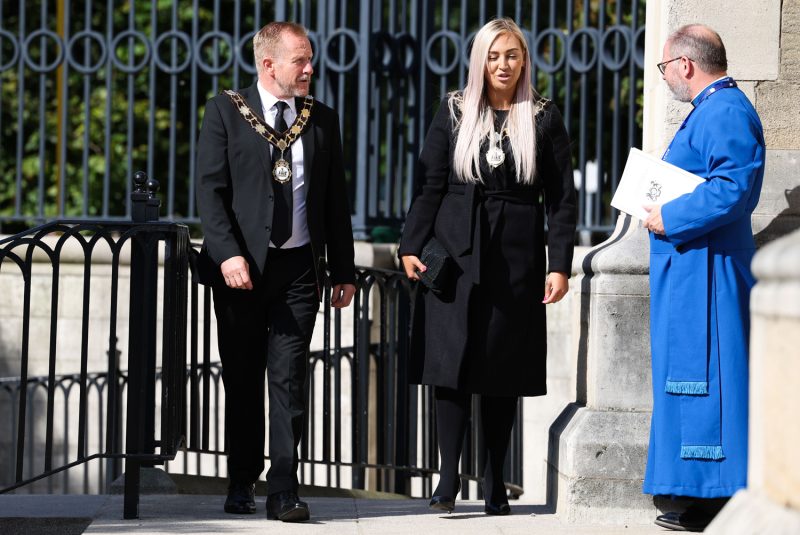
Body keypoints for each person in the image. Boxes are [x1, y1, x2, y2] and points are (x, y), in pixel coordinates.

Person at [398, 18, 576, 515]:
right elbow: (430, 182)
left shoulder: (543, 116)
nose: (503, 65)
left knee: (501, 371)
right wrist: (411, 243)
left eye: (512, 55)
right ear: (481, 61)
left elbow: (563, 200)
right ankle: (448, 477)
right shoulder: (454, 109)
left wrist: (559, 264)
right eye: (494, 56)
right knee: (448, 367)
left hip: (515, 260)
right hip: (453, 254)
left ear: (524, 60)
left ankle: (496, 482)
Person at [194, 21, 356, 523]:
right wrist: (228, 255)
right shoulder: (226, 111)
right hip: (242, 268)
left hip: (297, 268)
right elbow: (210, 191)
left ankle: (284, 488)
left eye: (310, 60)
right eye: (299, 61)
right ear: (268, 65)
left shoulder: (321, 119)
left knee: (288, 379)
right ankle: (242, 478)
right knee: (242, 378)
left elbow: (335, 203)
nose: (309, 69)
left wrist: (344, 270)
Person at [642, 24, 765, 532]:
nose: (666, 76)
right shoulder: (710, 110)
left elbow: (735, 186)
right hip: (694, 270)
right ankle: (692, 490)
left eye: (665, 66)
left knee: (712, 381)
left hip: (710, 274)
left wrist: (669, 216)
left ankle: (713, 497)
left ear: (686, 65)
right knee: (691, 379)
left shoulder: (726, 109)